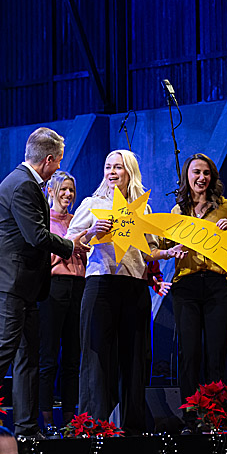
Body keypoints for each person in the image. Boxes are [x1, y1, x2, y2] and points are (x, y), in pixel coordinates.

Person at [66, 149, 182, 435]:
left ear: (129, 171)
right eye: (108, 167)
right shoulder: (93, 203)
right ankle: (93, 426)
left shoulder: (143, 209)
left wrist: (168, 253)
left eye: (118, 167)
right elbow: (70, 239)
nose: (112, 172)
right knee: (96, 356)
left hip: (134, 286)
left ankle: (133, 428)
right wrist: (92, 230)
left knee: (135, 357)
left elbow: (149, 250)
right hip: (101, 284)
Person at [0, 127, 80, 438]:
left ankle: (26, 427)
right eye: (58, 162)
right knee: (4, 349)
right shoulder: (22, 185)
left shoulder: (27, 183)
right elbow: (35, 235)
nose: (59, 168)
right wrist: (71, 246)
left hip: (24, 285)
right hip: (8, 281)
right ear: (48, 160)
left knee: (28, 355)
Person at [161, 154, 227, 433]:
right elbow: (161, 247)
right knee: (189, 353)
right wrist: (171, 248)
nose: (201, 178)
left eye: (206, 173)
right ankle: (191, 419)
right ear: (187, 177)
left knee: (215, 353)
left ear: (212, 177)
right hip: (187, 286)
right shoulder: (177, 211)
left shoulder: (226, 207)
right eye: (196, 172)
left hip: (219, 284)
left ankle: (215, 418)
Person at [37, 170, 86, 432]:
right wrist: (69, 244)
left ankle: (70, 420)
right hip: (53, 287)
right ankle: (45, 419)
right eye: (63, 189)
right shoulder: (44, 220)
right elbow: (45, 258)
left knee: (72, 357)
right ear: (52, 190)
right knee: (48, 357)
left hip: (78, 285)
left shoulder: (78, 219)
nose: (68, 194)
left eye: (71, 190)